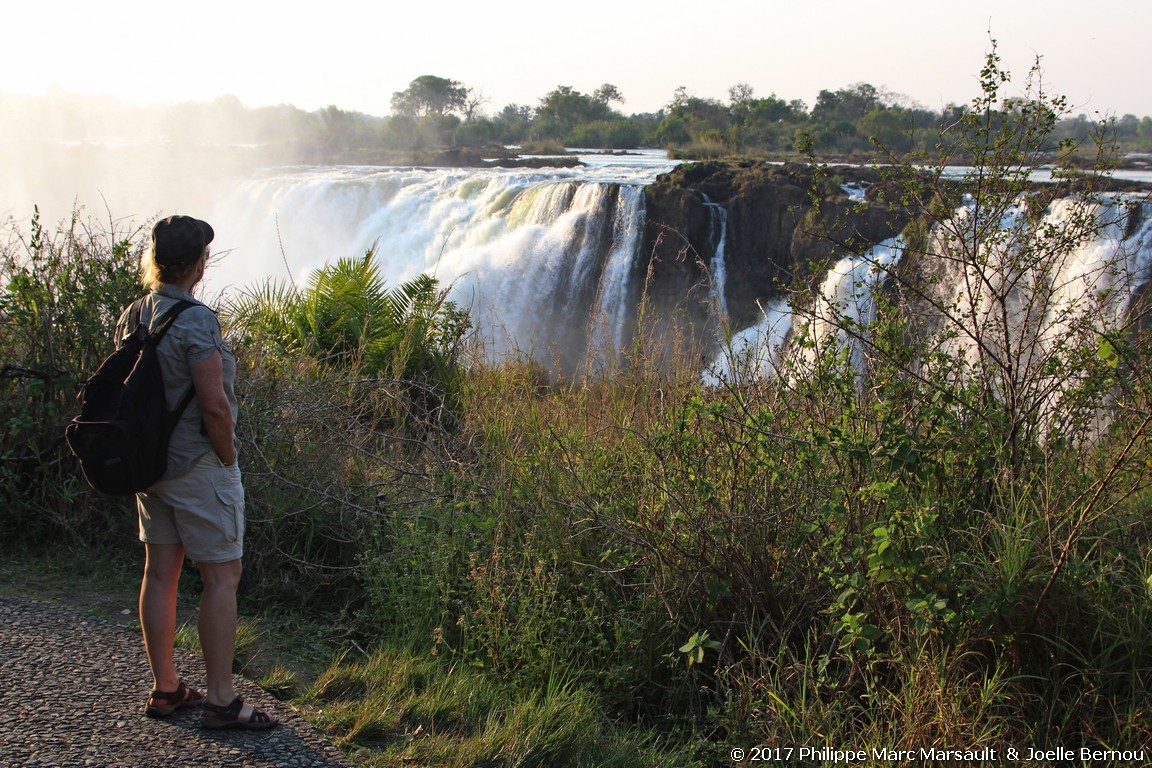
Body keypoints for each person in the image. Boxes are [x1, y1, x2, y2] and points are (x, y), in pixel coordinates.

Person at [120, 214, 277, 730]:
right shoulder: (196, 321)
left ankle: (166, 689)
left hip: (149, 465)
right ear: (199, 264)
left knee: (160, 573)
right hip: (197, 466)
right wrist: (227, 459)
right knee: (222, 577)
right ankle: (221, 700)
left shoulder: (135, 313)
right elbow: (214, 405)